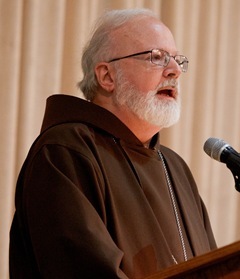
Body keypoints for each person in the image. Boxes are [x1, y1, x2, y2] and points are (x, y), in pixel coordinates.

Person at [9, 8, 217, 278]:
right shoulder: (64, 152)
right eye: (157, 57)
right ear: (107, 76)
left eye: (177, 60)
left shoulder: (175, 169)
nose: (175, 71)